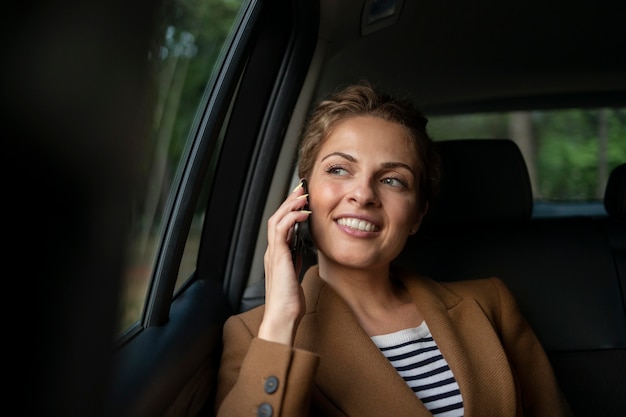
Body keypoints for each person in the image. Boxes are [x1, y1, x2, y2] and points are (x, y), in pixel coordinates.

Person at [214, 81, 573, 417]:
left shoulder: (490, 302)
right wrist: (280, 322)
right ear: (303, 194)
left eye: (392, 180)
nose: (363, 194)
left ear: (417, 215)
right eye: (339, 169)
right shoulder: (256, 335)